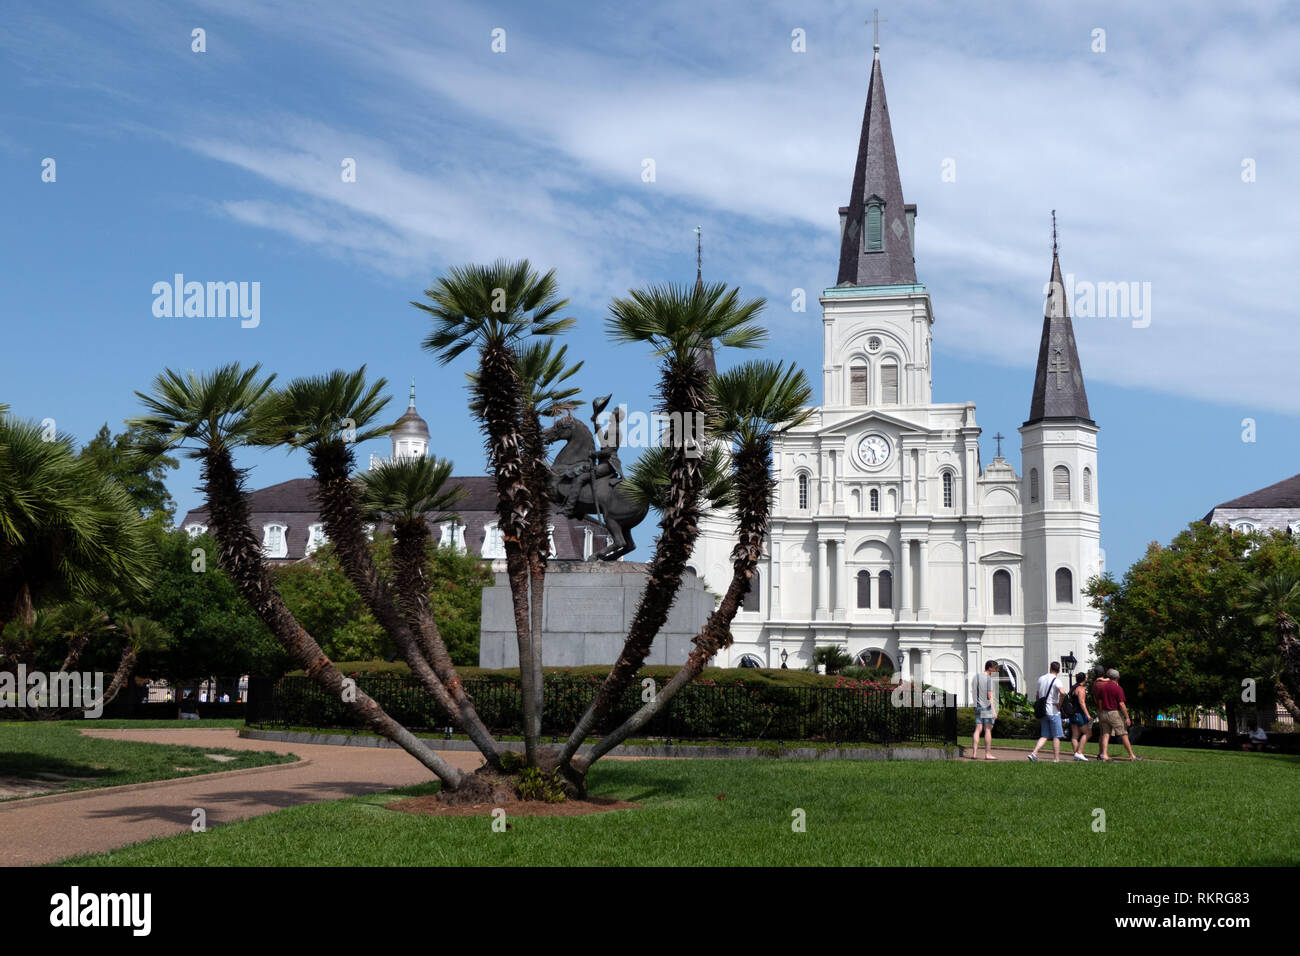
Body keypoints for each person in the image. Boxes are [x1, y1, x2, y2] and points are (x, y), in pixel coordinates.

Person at [1094, 668, 1141, 761]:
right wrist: (1127, 717)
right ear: (1118, 678)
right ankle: (1132, 756)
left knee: (1105, 734)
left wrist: (1100, 710)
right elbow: (1121, 704)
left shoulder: (1103, 687)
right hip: (1114, 713)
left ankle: (1104, 755)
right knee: (1123, 734)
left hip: (1103, 712)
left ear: (1109, 677)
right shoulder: (1118, 688)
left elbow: (1099, 700)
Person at [1028, 662, 1067, 762]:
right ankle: (1056, 759)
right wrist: (1059, 703)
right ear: (1058, 670)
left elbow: (1037, 694)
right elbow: (1062, 692)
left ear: (1050, 668)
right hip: (1053, 710)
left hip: (1043, 710)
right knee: (1056, 735)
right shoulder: (1056, 680)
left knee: (1044, 735)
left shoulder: (1041, 678)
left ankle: (1034, 753)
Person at [971, 660, 999, 760]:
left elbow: (973, 692)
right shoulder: (988, 679)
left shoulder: (975, 677)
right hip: (986, 707)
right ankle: (987, 754)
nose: (996, 671)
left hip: (977, 706)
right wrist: (994, 710)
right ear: (990, 668)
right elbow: (989, 696)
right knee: (988, 730)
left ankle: (974, 753)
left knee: (978, 729)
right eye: (995, 669)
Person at [1066, 672, 1093, 761]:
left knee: (1075, 735)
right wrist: (1088, 715)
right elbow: (1082, 702)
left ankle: (1076, 755)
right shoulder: (1081, 689)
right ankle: (1079, 752)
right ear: (1084, 679)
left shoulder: (1073, 688)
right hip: (1079, 714)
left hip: (1072, 714)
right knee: (1088, 733)